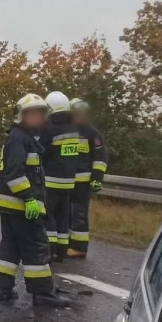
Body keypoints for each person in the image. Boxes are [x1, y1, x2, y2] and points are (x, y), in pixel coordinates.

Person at [0, 93, 67, 307]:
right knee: (36, 245)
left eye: (41, 113)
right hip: (21, 206)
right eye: (34, 113)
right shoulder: (19, 139)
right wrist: (29, 198)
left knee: (11, 247)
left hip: (12, 205)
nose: (39, 117)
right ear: (22, 115)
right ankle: (42, 293)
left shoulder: (24, 137)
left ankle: (2, 289)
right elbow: (14, 173)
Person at [39, 91, 81, 263]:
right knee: (63, 217)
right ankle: (61, 251)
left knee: (48, 216)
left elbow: (41, 152)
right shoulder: (73, 130)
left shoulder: (49, 129)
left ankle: (48, 250)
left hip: (51, 181)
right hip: (68, 182)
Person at [68, 98, 108, 258]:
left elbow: (100, 158)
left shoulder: (92, 133)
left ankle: (79, 248)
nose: (81, 116)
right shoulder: (67, 131)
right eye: (78, 113)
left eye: (83, 113)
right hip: (67, 181)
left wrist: (97, 178)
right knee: (66, 214)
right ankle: (67, 244)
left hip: (83, 183)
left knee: (79, 214)